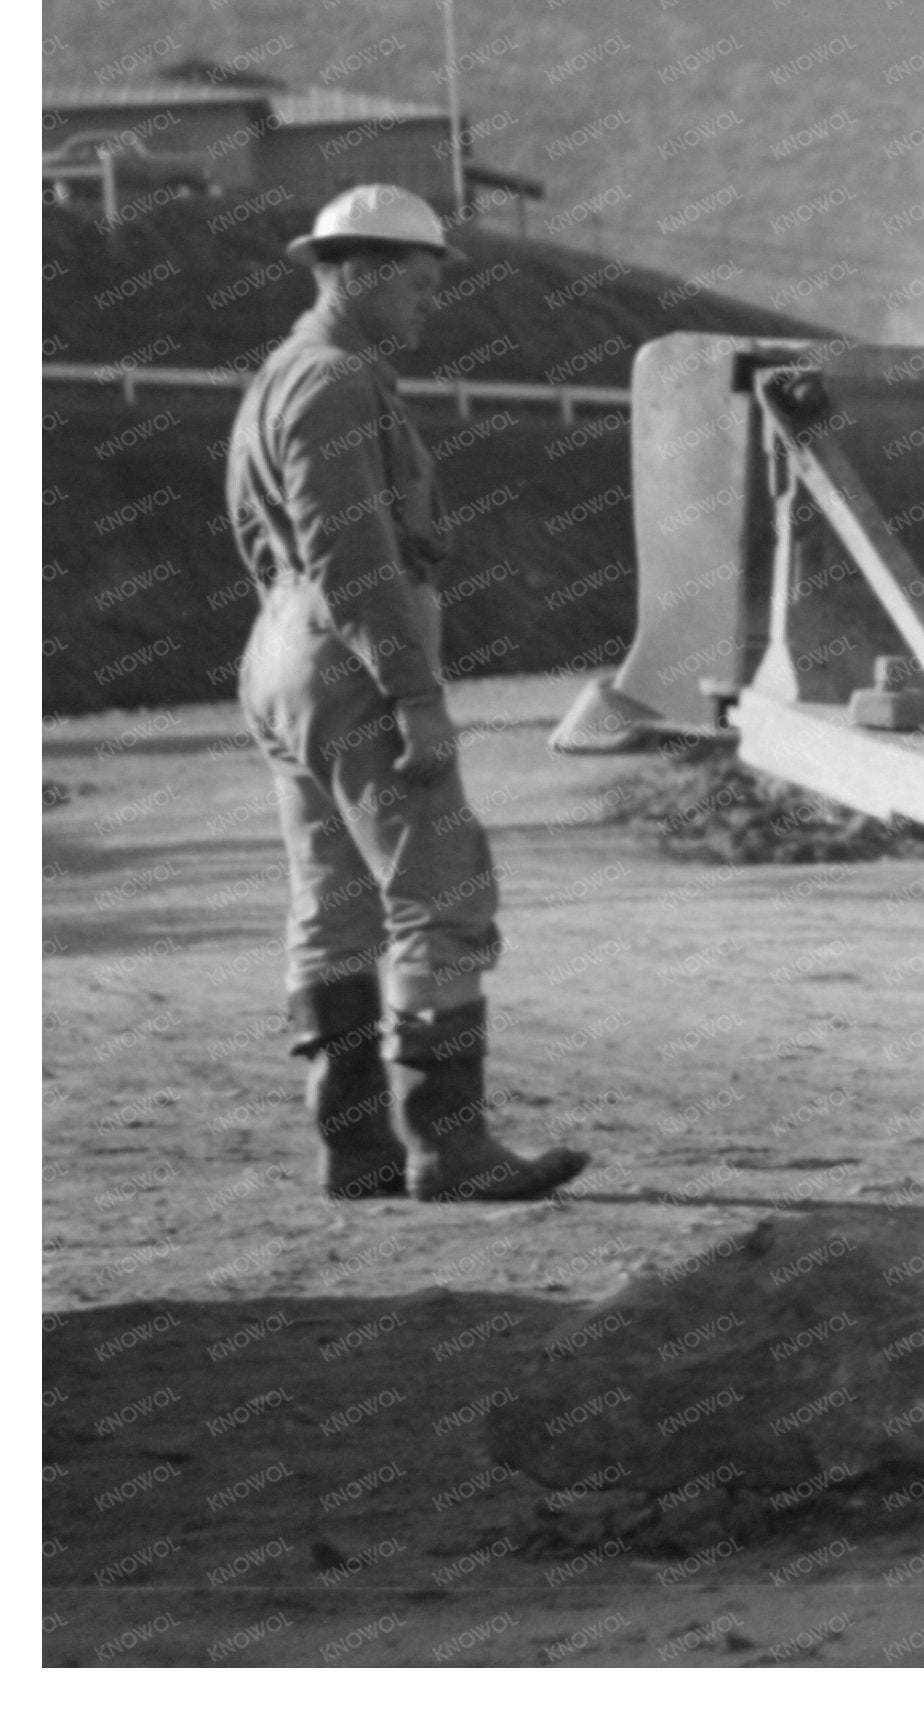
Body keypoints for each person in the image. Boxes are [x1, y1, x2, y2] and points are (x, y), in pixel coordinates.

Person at [231, 184, 588, 1205]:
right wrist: (414, 694)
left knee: (333, 906)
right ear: (359, 273)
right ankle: (450, 1147)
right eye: (419, 284)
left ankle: (356, 1148)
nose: (430, 305)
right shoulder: (337, 382)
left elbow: (267, 539)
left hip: (284, 645)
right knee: (441, 894)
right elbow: (354, 556)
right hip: (350, 654)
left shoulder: (279, 375)